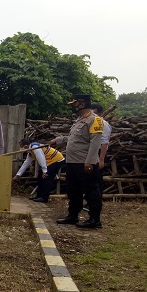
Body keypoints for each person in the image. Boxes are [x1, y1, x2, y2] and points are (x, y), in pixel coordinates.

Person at [49, 94, 104, 229]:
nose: (72, 107)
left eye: (74, 104)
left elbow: (95, 142)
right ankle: (73, 215)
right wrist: (59, 140)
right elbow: (75, 138)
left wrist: (90, 161)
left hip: (84, 163)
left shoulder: (95, 120)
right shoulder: (80, 120)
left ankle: (94, 219)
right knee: (73, 190)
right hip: (73, 162)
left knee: (91, 190)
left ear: (82, 104)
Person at [13, 138, 65, 203]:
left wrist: (45, 171)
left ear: (26, 146)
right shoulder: (30, 151)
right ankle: (39, 196)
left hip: (56, 160)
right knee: (40, 177)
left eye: (21, 147)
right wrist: (18, 175)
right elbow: (26, 163)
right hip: (49, 162)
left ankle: (44, 198)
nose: (21, 149)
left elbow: (41, 159)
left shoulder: (35, 148)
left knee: (46, 178)